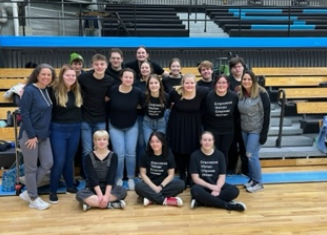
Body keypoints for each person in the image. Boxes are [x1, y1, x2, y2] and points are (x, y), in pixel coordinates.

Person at [18, 64, 56, 210]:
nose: (46, 77)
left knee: (48, 163)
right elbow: (25, 114)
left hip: (43, 135)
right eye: (43, 74)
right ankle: (33, 198)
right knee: (31, 168)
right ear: (37, 75)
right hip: (30, 135)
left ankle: (29, 191)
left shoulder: (46, 90)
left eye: (49, 75)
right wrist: (32, 135)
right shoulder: (29, 90)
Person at [48, 64, 83, 203]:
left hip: (75, 128)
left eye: (73, 75)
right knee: (59, 160)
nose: (71, 77)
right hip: (58, 129)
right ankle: (53, 190)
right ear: (62, 76)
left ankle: (69, 185)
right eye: (68, 75)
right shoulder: (53, 90)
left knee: (69, 159)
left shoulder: (78, 91)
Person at [166, 74, 209, 186]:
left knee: (193, 150)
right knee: (179, 150)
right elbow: (166, 103)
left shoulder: (201, 93)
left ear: (195, 84)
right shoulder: (175, 93)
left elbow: (207, 92)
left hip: (193, 124)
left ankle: (191, 175)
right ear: (182, 83)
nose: (189, 85)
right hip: (178, 124)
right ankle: (182, 175)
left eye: (192, 83)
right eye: (187, 83)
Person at [189, 131, 246, 212]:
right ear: (200, 141)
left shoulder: (220, 155)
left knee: (234, 191)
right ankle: (228, 205)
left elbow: (222, 176)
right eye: (204, 140)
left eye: (209, 140)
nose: (207, 142)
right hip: (202, 186)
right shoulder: (195, 156)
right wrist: (211, 187)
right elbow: (195, 178)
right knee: (194, 190)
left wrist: (217, 188)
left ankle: (202, 202)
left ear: (213, 141)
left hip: (217, 185)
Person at [107, 68, 144, 191]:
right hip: (115, 125)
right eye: (126, 77)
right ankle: (118, 177)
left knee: (131, 153)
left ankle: (130, 178)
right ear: (121, 78)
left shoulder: (138, 92)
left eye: (131, 77)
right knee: (119, 153)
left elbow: (142, 105)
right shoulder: (112, 90)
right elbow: (105, 102)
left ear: (133, 80)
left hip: (132, 125)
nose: (128, 79)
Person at [78, 54, 114, 179]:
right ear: (92, 65)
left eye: (102, 64)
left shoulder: (109, 80)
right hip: (85, 119)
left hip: (100, 120)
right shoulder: (83, 77)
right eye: (96, 64)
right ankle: (88, 176)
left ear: (106, 65)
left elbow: (109, 96)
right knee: (87, 150)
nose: (99, 67)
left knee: (101, 149)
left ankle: (99, 174)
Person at [76, 130, 127, 211]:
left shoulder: (113, 156)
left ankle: (93, 204)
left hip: (109, 189)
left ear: (108, 141)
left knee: (122, 191)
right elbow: (92, 177)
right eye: (99, 139)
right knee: (79, 194)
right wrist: (100, 195)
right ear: (94, 141)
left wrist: (106, 196)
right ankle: (112, 204)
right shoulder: (88, 157)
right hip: (93, 189)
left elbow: (111, 177)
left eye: (104, 139)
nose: (102, 142)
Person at [238, 70, 270, 193]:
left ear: (254, 81)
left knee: (252, 156)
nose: (246, 81)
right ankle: (252, 179)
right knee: (248, 155)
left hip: (256, 130)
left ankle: (259, 182)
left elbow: (267, 114)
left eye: (249, 79)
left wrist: (264, 133)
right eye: (244, 79)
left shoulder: (262, 93)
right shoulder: (241, 94)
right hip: (244, 129)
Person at [135, 132, 184, 207]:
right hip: (149, 184)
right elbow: (143, 174)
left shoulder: (168, 155)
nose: (154, 144)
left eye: (157, 141)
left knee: (181, 184)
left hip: (164, 185)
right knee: (138, 186)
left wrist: (161, 186)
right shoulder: (145, 155)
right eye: (152, 142)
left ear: (162, 142)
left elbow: (171, 175)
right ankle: (165, 200)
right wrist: (154, 187)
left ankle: (150, 199)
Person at [203, 74, 239, 170]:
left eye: (224, 82)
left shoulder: (233, 96)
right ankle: (213, 173)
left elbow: (236, 113)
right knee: (214, 152)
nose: (221, 85)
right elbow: (203, 113)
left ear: (228, 84)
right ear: (215, 84)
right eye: (219, 82)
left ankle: (223, 173)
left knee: (224, 152)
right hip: (212, 130)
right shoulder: (209, 96)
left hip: (228, 131)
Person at [228, 57, 248, 176]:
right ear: (231, 69)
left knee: (244, 146)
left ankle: (245, 169)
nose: (237, 69)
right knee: (232, 146)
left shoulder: (247, 80)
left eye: (239, 66)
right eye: (234, 67)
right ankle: (230, 168)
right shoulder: (228, 81)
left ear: (243, 67)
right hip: (231, 118)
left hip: (245, 119)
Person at [143, 74, 170, 143]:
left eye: (156, 83)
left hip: (161, 123)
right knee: (148, 144)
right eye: (151, 83)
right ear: (148, 85)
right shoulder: (144, 96)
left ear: (160, 84)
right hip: (147, 123)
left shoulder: (166, 96)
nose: (153, 85)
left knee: (160, 144)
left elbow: (168, 107)